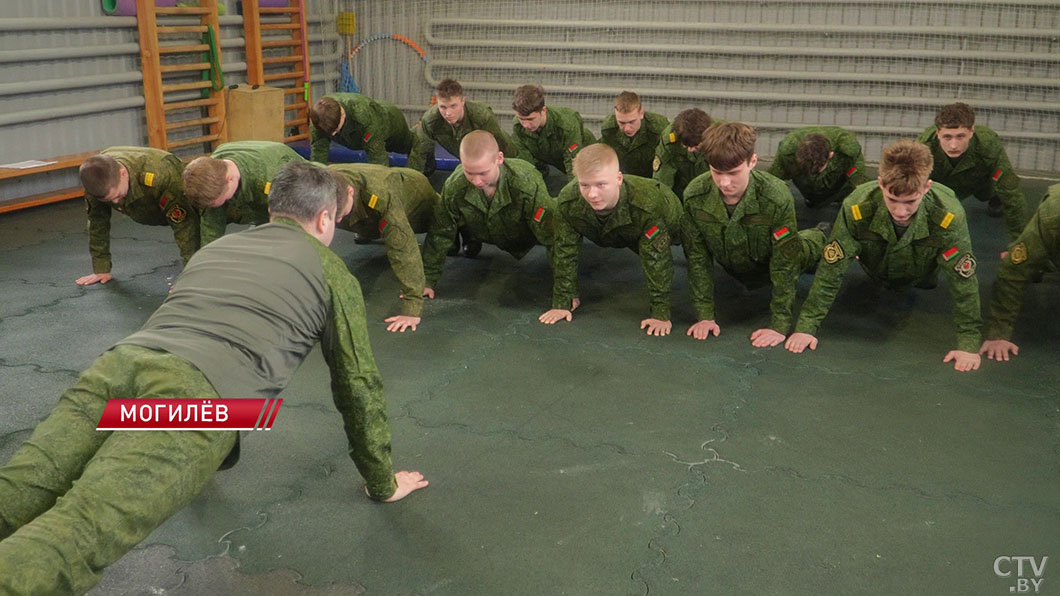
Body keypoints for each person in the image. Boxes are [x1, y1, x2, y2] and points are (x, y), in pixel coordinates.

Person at [0, 161, 428, 595]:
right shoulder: (331, 272)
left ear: (273, 207)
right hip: (194, 401)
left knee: (22, 485)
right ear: (323, 218)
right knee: (78, 532)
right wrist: (382, 482)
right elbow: (357, 386)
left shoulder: (217, 248)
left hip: (119, 365)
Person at [785, 140, 983, 372]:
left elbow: (964, 281)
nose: (900, 211)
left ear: (927, 188)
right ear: (880, 184)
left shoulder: (948, 214)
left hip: (923, 275)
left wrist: (969, 344)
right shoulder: (857, 206)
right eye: (892, 200)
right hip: (874, 270)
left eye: (910, 201)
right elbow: (831, 270)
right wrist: (806, 326)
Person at [682, 122, 828, 347]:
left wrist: (779, 326)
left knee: (802, 252)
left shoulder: (776, 196)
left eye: (733, 173)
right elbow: (697, 257)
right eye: (716, 172)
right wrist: (705, 315)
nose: (724, 182)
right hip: (735, 265)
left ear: (752, 162)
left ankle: (821, 234)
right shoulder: (694, 195)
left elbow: (785, 263)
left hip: (775, 257)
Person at [543, 144, 685, 336]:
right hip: (612, 230)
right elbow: (564, 251)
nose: (592, 194)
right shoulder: (568, 201)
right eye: (584, 185)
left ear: (619, 179)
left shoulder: (648, 203)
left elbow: (657, 261)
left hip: (672, 223)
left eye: (601, 184)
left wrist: (661, 314)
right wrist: (563, 300)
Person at [420, 131, 557, 297]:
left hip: (526, 232)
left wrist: (565, 292)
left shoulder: (526, 183)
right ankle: (466, 238)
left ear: (499, 159)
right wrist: (427, 281)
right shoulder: (455, 186)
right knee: (442, 211)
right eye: (469, 172)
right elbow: (439, 233)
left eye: (483, 173)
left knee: (557, 220)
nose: (477, 181)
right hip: (483, 231)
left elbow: (552, 236)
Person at [328, 163, 439, 332]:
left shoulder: (381, 196)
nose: (336, 222)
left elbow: (403, 247)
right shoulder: (316, 183)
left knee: (441, 220)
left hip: (414, 189)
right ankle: (364, 227)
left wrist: (412, 307)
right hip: (368, 190)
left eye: (341, 215)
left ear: (350, 192)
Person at [76, 147, 199, 286]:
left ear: (122, 173)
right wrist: (101, 267)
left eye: (117, 195)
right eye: (109, 200)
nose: (115, 202)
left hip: (195, 202)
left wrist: (191, 276)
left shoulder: (161, 174)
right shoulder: (95, 179)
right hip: (146, 209)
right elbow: (97, 223)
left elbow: (186, 227)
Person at [915, 102, 1027, 240]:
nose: (954, 145)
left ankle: (995, 199)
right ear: (938, 133)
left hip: (980, 181)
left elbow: (1010, 191)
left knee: (996, 192)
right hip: (941, 184)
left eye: (960, 136)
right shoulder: (923, 147)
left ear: (971, 131)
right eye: (947, 137)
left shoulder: (988, 144)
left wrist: (1019, 242)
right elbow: (910, 190)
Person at [979, 183, 1060, 361]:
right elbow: (1013, 272)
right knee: (1027, 259)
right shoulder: (1054, 213)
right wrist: (998, 334)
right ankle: (1040, 259)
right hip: (1052, 241)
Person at [182, 140, 305, 246]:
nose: (220, 205)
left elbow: (294, 223)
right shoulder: (212, 172)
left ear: (229, 179)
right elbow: (211, 227)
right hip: (257, 194)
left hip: (300, 188)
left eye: (223, 200)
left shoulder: (275, 175)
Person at [405, 78, 519, 175]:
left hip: (505, 152)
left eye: (453, 106)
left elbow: (499, 149)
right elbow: (420, 156)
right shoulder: (431, 120)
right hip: (465, 157)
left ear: (463, 101)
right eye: (443, 107)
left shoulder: (482, 117)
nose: (448, 113)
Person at [766, 126, 869, 208]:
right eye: (807, 169)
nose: (812, 174)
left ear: (830, 155)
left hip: (838, 193)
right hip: (810, 195)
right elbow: (770, 180)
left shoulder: (847, 150)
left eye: (817, 170)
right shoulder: (788, 151)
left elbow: (860, 181)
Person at [510, 84, 596, 178]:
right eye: (521, 119)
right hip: (553, 162)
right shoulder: (518, 127)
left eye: (531, 119)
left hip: (587, 160)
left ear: (543, 110)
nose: (525, 125)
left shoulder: (567, 124)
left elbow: (573, 164)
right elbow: (526, 164)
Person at [309, 93, 416, 165]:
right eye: (331, 132)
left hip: (391, 121)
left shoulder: (365, 118)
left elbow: (377, 160)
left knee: (412, 146)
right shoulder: (318, 119)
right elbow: (318, 155)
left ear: (342, 113)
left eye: (336, 130)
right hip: (360, 134)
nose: (333, 135)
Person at [598, 91, 669, 178]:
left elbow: (667, 166)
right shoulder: (609, 129)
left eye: (632, 122)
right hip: (622, 179)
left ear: (641, 114)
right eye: (622, 123)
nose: (627, 128)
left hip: (652, 178)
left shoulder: (659, 128)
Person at [652, 107, 714, 199]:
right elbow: (662, 180)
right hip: (682, 191)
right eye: (686, 146)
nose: (690, 150)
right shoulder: (669, 141)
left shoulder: (721, 137)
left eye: (696, 146)